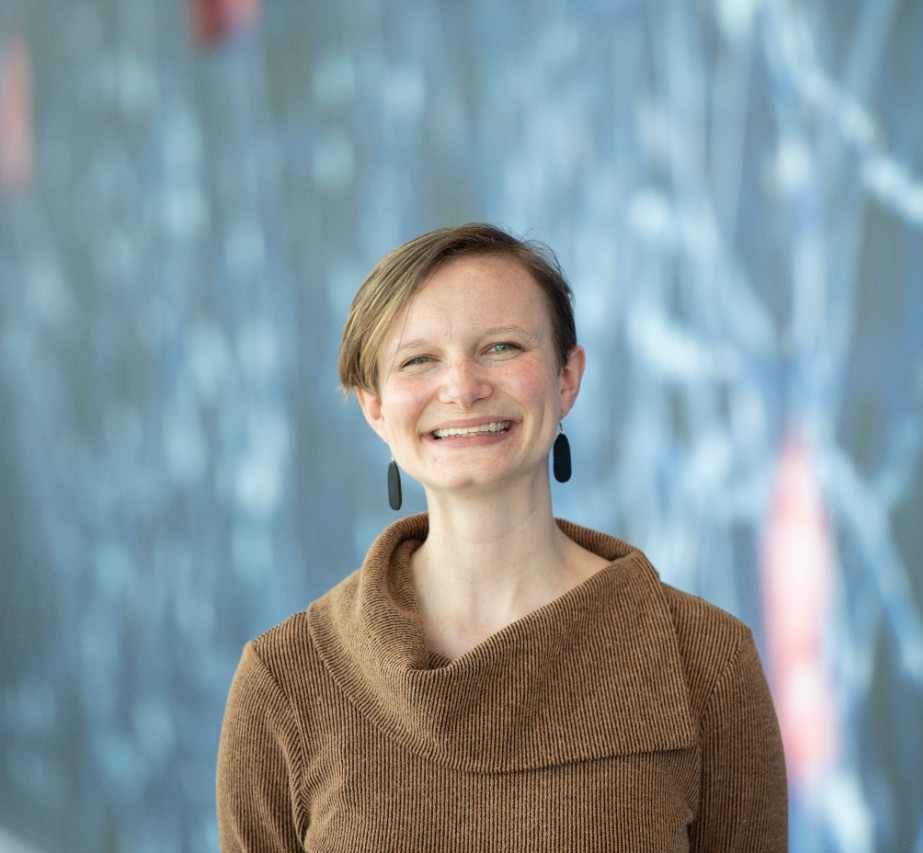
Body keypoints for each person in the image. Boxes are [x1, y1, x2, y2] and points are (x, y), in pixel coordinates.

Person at [216, 223, 788, 850]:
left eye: (502, 347)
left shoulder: (709, 664)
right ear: (374, 407)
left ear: (568, 378)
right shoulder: (283, 684)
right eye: (418, 360)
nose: (463, 386)